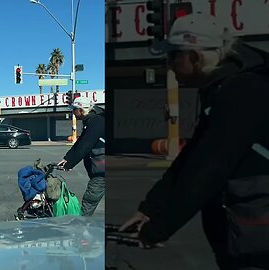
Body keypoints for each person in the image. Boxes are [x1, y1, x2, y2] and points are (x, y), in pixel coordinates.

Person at [120, 13, 269, 269]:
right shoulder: (222, 89)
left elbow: (209, 169)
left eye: (172, 56)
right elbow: (192, 157)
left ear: (195, 58)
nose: (169, 65)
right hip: (245, 236)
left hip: (258, 243)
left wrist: (158, 229)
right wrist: (150, 209)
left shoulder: (244, 91)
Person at [58, 95, 105, 216]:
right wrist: (67, 158)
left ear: (81, 109)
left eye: (74, 109)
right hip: (100, 169)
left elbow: (85, 146)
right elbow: (80, 142)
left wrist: (69, 164)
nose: (72, 112)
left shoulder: (96, 121)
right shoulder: (91, 120)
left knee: (89, 201)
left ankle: (81, 228)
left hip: (102, 171)